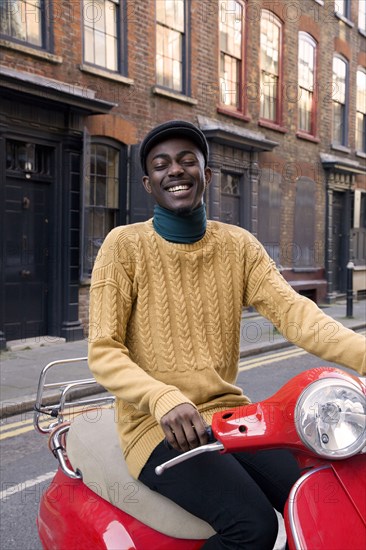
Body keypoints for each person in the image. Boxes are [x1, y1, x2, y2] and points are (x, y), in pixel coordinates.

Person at [88, 120, 366, 549]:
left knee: (325, 499)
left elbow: (298, 316)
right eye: (161, 165)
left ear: (207, 175)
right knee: (252, 526)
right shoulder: (123, 246)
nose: (175, 171)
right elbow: (104, 350)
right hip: (157, 428)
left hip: (230, 418)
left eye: (187, 161)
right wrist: (162, 398)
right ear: (148, 183)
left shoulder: (238, 245)